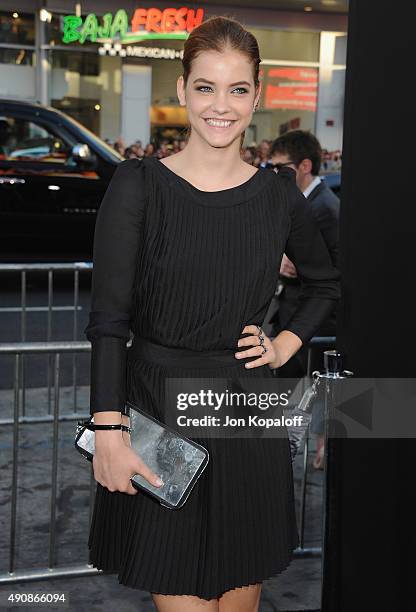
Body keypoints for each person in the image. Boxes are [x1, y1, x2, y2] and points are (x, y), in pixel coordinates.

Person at [84, 17, 340, 612]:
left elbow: (326, 283)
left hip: (246, 413)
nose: (220, 106)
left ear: (257, 95)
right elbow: (108, 321)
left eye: (236, 89)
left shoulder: (278, 194)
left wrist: (285, 344)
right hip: (159, 410)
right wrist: (108, 430)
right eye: (205, 87)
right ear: (181, 91)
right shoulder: (139, 184)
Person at [268, 130, 340, 469]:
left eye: (280, 167)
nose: (274, 174)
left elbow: (328, 269)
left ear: (305, 166)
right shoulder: (308, 201)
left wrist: (291, 263)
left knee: (310, 390)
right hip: (296, 316)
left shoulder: (324, 207)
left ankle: (308, 448)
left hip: (313, 321)